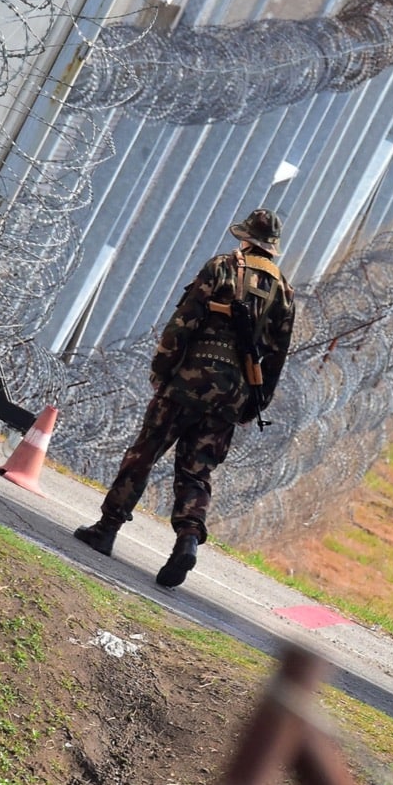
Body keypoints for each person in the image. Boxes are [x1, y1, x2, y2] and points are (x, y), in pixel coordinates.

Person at [73, 208, 296, 587]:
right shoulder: (284, 292)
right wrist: (254, 403)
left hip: (188, 382)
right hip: (231, 394)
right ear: (272, 248)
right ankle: (188, 541)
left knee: (145, 453)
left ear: (245, 238)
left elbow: (184, 322)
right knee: (196, 471)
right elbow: (275, 357)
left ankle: (107, 528)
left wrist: (162, 370)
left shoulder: (223, 267)